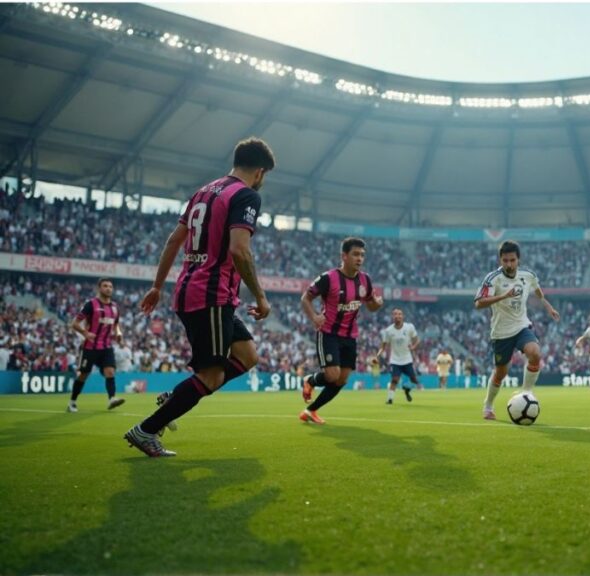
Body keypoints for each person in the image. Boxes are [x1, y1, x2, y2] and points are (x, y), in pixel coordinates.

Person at [125, 137, 276, 457]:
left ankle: (178, 395)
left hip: (196, 289)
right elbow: (239, 249)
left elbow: (174, 239)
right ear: (260, 172)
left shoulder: (203, 191)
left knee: (247, 355)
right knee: (211, 375)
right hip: (210, 293)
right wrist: (261, 297)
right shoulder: (246, 195)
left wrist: (157, 285)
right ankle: (147, 429)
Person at [299, 237, 385, 424]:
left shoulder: (365, 280)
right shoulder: (328, 278)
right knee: (332, 375)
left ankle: (310, 411)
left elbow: (370, 306)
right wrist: (314, 317)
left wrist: (377, 304)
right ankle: (310, 380)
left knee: (341, 380)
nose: (359, 258)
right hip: (328, 333)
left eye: (362, 255)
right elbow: (305, 298)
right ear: (344, 256)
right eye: (355, 254)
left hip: (350, 336)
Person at [474, 240, 560, 420]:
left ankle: (526, 392)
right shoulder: (492, 278)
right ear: (500, 260)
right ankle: (488, 405)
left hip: (521, 325)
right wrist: (503, 296)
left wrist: (548, 307)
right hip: (500, 332)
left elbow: (538, 292)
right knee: (500, 373)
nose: (508, 264)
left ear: (518, 259)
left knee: (535, 352)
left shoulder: (528, 275)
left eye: (512, 260)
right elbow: (478, 303)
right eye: (505, 260)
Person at [68, 278, 125, 412]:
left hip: (106, 346)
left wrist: (118, 333)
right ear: (99, 288)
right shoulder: (91, 304)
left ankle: (112, 399)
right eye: (105, 286)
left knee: (110, 371)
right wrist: (85, 333)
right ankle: (72, 402)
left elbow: (116, 325)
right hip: (90, 347)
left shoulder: (115, 307)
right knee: (84, 374)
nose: (108, 289)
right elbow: (74, 323)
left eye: (110, 286)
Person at [377, 308, 420, 404]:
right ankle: (389, 399)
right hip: (395, 360)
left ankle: (407, 389)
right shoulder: (388, 331)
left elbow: (417, 340)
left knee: (414, 381)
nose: (398, 316)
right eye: (395, 314)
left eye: (400, 314)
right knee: (395, 380)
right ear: (393, 316)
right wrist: (377, 355)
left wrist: (413, 347)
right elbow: (383, 347)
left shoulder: (409, 327)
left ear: (403, 316)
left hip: (407, 359)